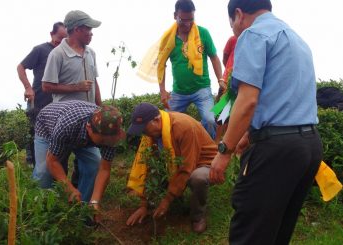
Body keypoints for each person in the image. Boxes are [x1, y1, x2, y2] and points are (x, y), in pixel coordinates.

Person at [209, 1, 323, 244]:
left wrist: (224, 150)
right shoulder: (297, 40)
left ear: (238, 15)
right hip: (309, 146)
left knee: (249, 232)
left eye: (232, 24)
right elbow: (282, 98)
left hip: (276, 152)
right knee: (278, 229)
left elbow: (247, 100)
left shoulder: (253, 35)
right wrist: (249, 134)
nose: (235, 30)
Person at [125, 102, 217, 234]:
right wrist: (143, 205)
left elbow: (187, 168)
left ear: (156, 120)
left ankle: (198, 216)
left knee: (198, 178)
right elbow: (146, 167)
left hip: (205, 163)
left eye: (144, 129)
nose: (143, 133)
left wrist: (167, 200)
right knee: (155, 167)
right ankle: (176, 200)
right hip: (182, 163)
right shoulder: (153, 135)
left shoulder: (183, 127)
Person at [32, 100, 125, 205]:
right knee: (44, 172)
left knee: (94, 165)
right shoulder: (68, 125)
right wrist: (69, 188)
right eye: (103, 141)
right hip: (47, 126)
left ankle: (83, 208)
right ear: (89, 128)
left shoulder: (111, 135)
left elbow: (104, 169)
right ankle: (38, 206)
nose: (106, 144)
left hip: (80, 134)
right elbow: (52, 161)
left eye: (109, 140)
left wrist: (95, 201)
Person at [157, 0, 224, 140]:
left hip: (202, 90)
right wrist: (162, 91)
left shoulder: (203, 33)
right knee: (164, 123)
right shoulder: (168, 39)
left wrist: (221, 79)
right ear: (175, 15)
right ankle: (168, 157)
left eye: (191, 19)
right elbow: (161, 65)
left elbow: (214, 58)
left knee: (210, 120)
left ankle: (208, 151)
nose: (187, 24)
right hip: (179, 92)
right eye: (183, 20)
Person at [17, 22, 67, 166]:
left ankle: (52, 162)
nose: (61, 43)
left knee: (55, 134)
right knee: (34, 131)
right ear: (51, 34)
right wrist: (28, 88)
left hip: (57, 102)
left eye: (65, 40)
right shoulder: (40, 50)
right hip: (38, 99)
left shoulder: (65, 53)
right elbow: (21, 67)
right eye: (59, 39)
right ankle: (31, 161)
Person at [42, 10, 102, 105]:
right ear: (77, 29)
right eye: (89, 29)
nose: (91, 33)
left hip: (89, 113)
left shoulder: (91, 53)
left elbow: (94, 83)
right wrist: (76, 87)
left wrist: (100, 108)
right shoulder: (57, 54)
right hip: (65, 115)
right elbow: (46, 86)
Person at [214, 35, 237, 143]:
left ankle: (229, 143)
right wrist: (229, 69)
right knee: (221, 116)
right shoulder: (233, 39)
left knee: (235, 116)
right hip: (228, 81)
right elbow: (225, 57)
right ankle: (216, 143)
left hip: (243, 82)